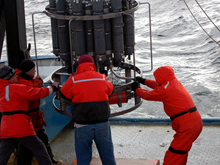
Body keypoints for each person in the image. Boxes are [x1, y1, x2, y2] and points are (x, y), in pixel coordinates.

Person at [131, 66, 203, 165]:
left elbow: (148, 95)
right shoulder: (173, 83)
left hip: (188, 126)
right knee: (181, 152)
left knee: (174, 153)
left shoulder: (166, 90)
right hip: (194, 122)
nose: (156, 80)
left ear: (161, 78)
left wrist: (136, 89)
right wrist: (144, 81)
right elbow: (158, 85)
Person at [60, 54, 116, 165]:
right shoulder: (101, 77)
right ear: (93, 65)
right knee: (108, 156)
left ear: (79, 65)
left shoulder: (73, 80)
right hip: (102, 124)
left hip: (82, 125)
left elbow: (63, 94)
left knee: (83, 158)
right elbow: (110, 91)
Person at [0, 65, 59, 165]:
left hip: (6, 127)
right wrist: (52, 88)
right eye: (14, 75)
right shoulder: (15, 88)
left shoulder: (2, 89)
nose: (16, 77)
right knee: (39, 148)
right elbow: (36, 93)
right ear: (9, 77)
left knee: (3, 155)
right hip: (20, 126)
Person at [15, 59, 63, 165]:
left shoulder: (20, 78)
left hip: (34, 117)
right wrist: (41, 82)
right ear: (29, 71)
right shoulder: (24, 83)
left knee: (41, 139)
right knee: (26, 144)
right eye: (34, 69)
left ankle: (50, 159)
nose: (35, 71)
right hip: (27, 118)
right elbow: (33, 91)